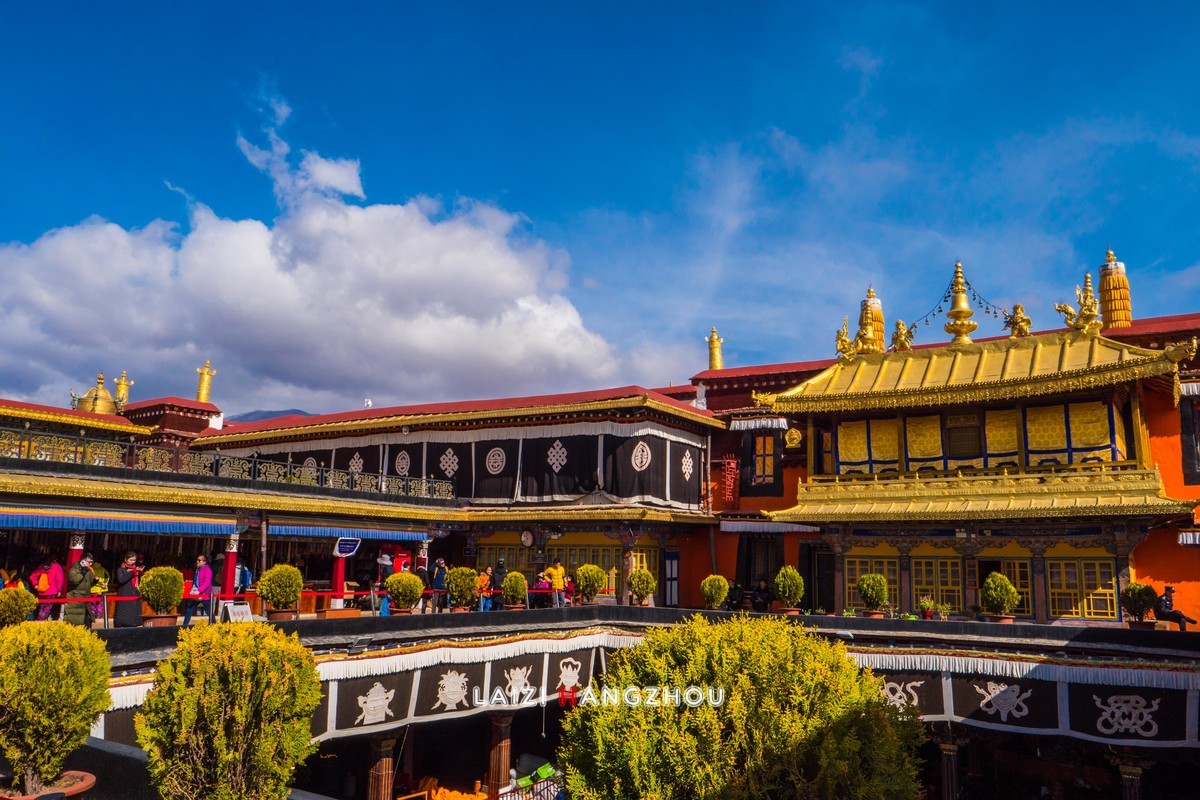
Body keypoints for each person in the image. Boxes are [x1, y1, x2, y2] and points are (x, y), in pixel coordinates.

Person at [63, 553, 98, 627]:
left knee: (87, 624)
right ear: (82, 561)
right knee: (74, 623)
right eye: (89, 562)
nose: (90, 564)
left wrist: (95, 581)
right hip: (75, 601)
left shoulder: (89, 571)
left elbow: (89, 583)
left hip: (86, 601)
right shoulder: (73, 570)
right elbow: (74, 580)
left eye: (92, 562)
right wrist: (82, 572)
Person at [112, 551, 143, 628]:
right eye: (131, 560)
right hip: (124, 593)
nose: (133, 562)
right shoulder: (121, 569)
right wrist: (132, 573)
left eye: (134, 560)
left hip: (134, 592)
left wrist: (138, 571)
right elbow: (121, 580)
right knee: (123, 613)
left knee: (134, 614)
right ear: (126, 559)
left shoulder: (135, 569)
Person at [30, 554, 64, 621]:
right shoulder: (57, 567)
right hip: (52, 592)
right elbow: (59, 579)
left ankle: (40, 620)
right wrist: (59, 590)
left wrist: (36, 585)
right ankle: (41, 622)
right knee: (47, 608)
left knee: (41, 608)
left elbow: (32, 576)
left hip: (41, 591)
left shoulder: (42, 567)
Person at [182, 554, 212, 625]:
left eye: (199, 560)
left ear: (204, 562)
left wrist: (199, 590)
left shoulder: (207, 570)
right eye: (197, 560)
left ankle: (214, 624)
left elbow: (207, 582)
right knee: (189, 609)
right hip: (196, 593)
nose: (197, 562)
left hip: (204, 593)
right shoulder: (198, 570)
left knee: (208, 610)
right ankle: (184, 625)